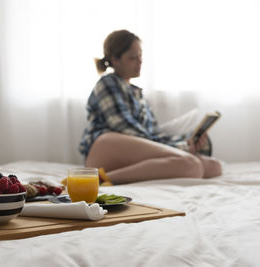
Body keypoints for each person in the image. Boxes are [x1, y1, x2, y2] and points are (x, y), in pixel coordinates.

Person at [79, 30, 222, 185]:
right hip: (105, 148)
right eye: (133, 57)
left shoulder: (137, 92)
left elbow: (153, 134)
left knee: (214, 167)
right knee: (191, 164)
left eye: (140, 56)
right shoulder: (108, 83)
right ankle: (98, 180)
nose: (139, 62)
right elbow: (126, 129)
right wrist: (180, 148)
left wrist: (189, 143)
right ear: (115, 60)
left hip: (131, 150)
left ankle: (110, 177)